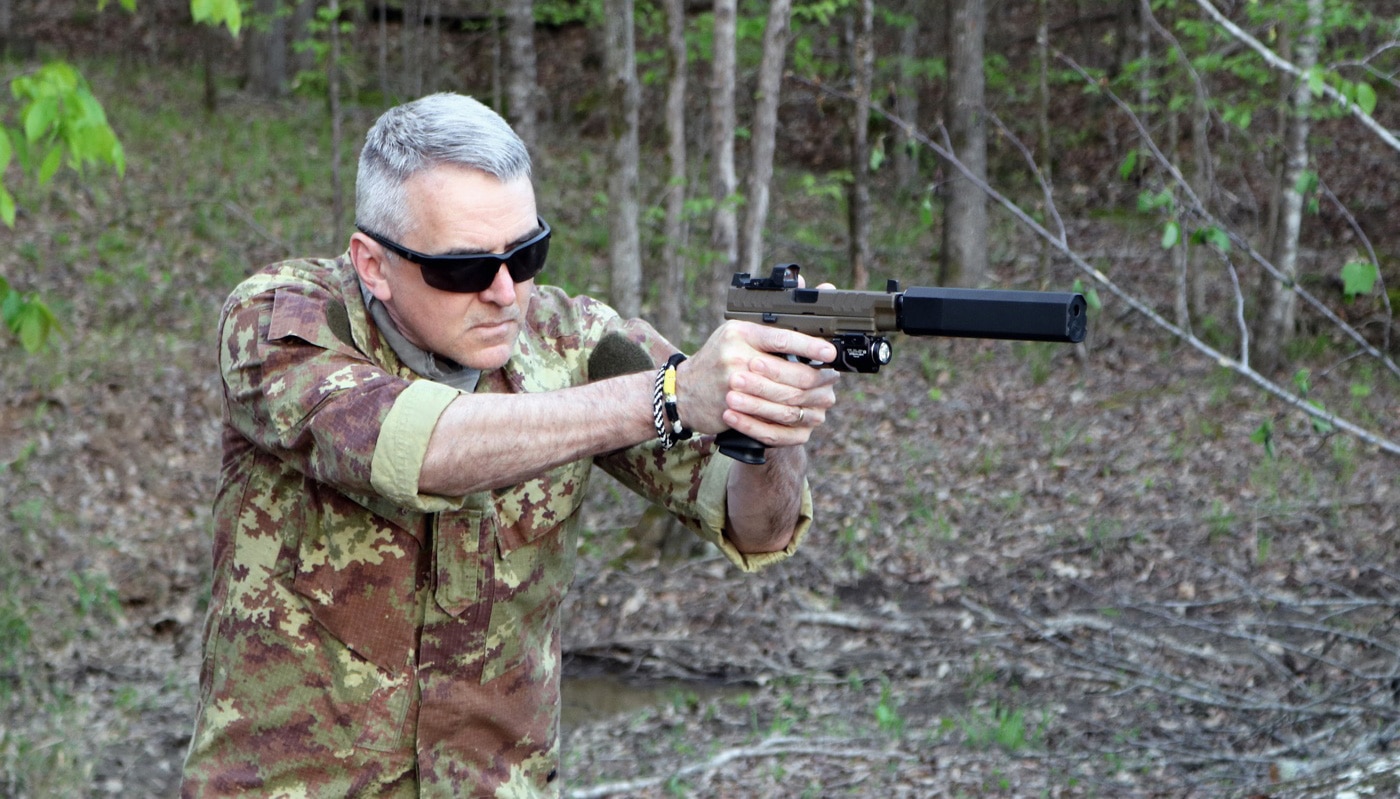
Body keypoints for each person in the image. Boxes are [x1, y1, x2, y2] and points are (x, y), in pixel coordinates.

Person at [180, 92, 840, 797]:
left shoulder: (575, 342)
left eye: (527, 254)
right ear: (373, 265)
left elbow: (755, 523)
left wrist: (771, 416)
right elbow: (416, 445)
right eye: (462, 268)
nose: (504, 291)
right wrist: (668, 397)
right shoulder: (283, 321)